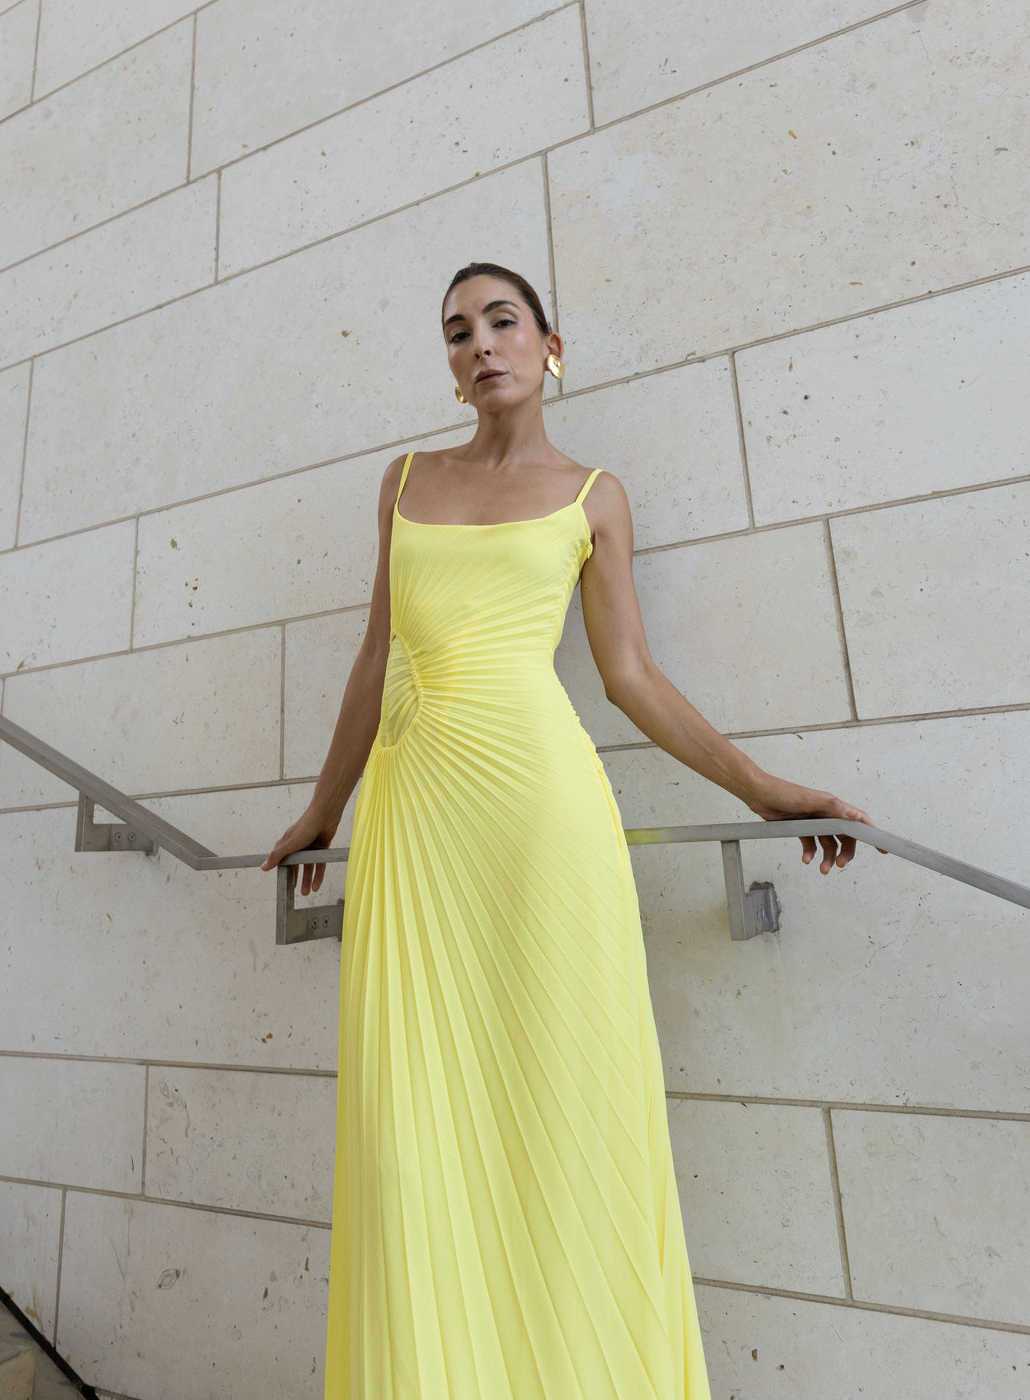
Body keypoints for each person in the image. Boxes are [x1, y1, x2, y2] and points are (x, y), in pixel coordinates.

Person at [263, 261, 875, 1399]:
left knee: (562, 1105)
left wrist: (761, 788)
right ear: (451, 367)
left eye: (502, 322)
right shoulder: (404, 481)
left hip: (540, 818)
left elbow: (630, 675)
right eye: (457, 332)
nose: (479, 344)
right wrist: (321, 811)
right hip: (413, 823)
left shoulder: (594, 495)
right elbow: (376, 654)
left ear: (550, 345)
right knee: (408, 1135)